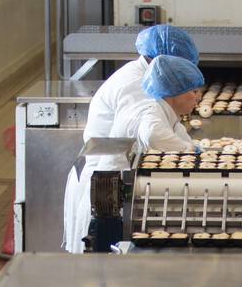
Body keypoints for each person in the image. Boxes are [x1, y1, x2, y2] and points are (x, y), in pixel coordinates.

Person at [63, 25, 200, 254]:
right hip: (108, 188)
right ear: (165, 61)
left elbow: (168, 123)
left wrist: (192, 145)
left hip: (119, 180)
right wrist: (192, 150)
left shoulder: (147, 76)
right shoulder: (135, 85)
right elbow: (152, 131)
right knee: (105, 269)